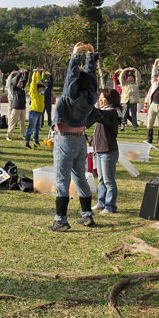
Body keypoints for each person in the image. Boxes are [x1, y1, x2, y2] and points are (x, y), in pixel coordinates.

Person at [50, 42, 99, 232]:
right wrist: (91, 57)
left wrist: (75, 55)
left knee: (61, 180)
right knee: (80, 178)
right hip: (80, 141)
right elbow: (91, 79)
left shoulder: (70, 95)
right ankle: (87, 216)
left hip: (65, 139)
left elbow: (72, 77)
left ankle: (60, 220)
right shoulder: (90, 97)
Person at [89, 88, 122, 214]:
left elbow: (99, 115)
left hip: (108, 151)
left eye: (103, 97)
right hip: (100, 151)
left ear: (110, 99)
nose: (100, 99)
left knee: (109, 180)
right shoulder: (104, 112)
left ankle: (110, 206)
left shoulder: (111, 113)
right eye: (99, 97)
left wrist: (86, 105)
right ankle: (101, 203)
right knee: (102, 179)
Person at [25, 68, 46, 149]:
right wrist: (34, 73)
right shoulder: (34, 94)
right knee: (31, 128)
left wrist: (39, 73)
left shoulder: (41, 94)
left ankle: (36, 141)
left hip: (40, 112)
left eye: (42, 88)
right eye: (40, 88)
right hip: (34, 112)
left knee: (37, 128)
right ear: (37, 89)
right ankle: (27, 143)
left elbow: (39, 81)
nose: (42, 89)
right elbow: (34, 84)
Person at [6, 69, 28, 141]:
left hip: (23, 108)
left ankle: (23, 134)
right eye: (20, 82)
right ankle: (9, 135)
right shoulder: (14, 89)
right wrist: (19, 73)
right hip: (16, 108)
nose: (21, 83)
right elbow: (17, 80)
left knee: (23, 122)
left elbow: (25, 79)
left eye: (22, 83)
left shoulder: (22, 89)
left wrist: (26, 72)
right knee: (13, 121)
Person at [119, 67, 140, 132]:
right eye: (129, 77)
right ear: (127, 78)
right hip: (125, 100)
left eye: (132, 77)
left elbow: (138, 77)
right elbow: (120, 78)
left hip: (133, 101)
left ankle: (134, 127)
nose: (130, 78)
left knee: (134, 113)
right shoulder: (124, 84)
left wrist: (135, 70)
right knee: (124, 113)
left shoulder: (136, 84)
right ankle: (122, 126)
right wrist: (124, 71)